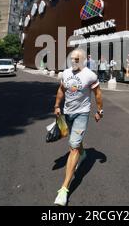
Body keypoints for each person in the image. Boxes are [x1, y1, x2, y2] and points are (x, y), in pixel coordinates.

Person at [53, 48, 104, 206]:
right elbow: (61, 89)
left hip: (82, 114)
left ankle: (64, 190)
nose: (73, 61)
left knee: (73, 147)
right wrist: (56, 105)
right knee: (74, 140)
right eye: (71, 58)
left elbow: (98, 94)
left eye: (76, 59)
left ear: (82, 60)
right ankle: (82, 154)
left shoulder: (90, 75)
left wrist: (99, 110)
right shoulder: (66, 73)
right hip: (67, 113)